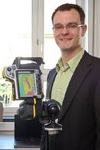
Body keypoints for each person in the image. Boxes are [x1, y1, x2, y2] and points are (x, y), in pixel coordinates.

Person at [41, 3, 100, 150]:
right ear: (54, 31)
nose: (64, 32)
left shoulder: (97, 70)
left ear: (83, 30)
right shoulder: (52, 74)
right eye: (59, 27)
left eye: (72, 26)